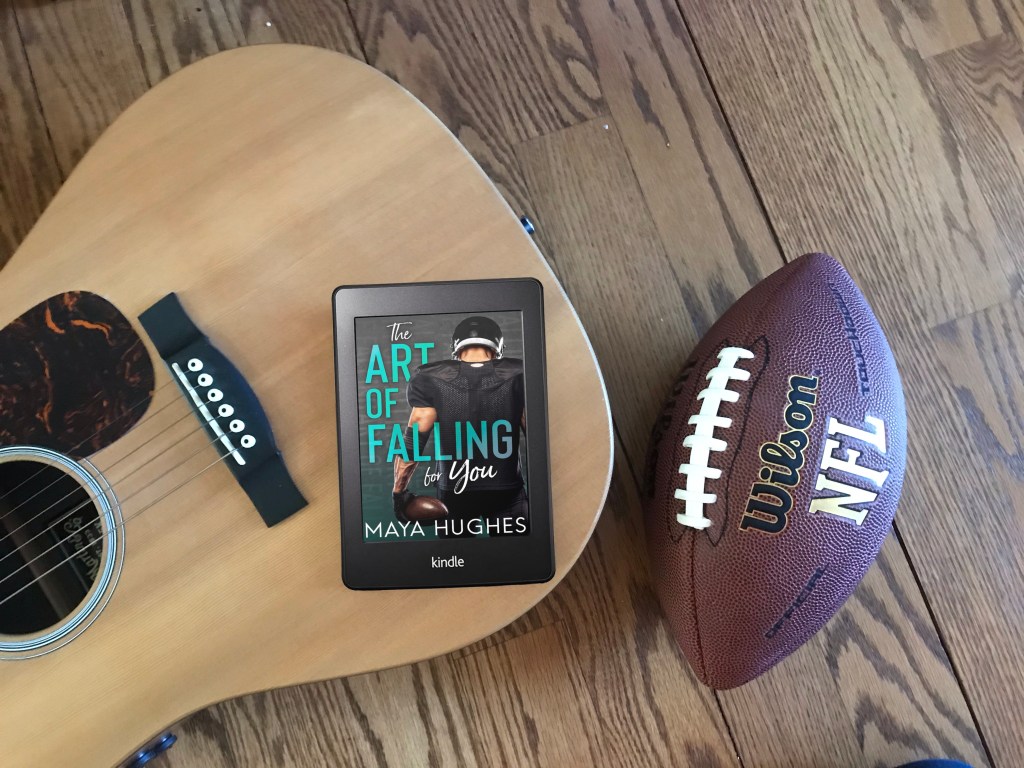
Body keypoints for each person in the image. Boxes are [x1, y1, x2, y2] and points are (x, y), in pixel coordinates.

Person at [392, 316, 528, 538]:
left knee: (455, 562)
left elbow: (412, 444)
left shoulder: (431, 378)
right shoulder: (519, 373)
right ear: (498, 347)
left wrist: (399, 494)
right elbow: (538, 440)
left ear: (456, 347)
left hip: (454, 492)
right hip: (507, 489)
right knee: (517, 561)